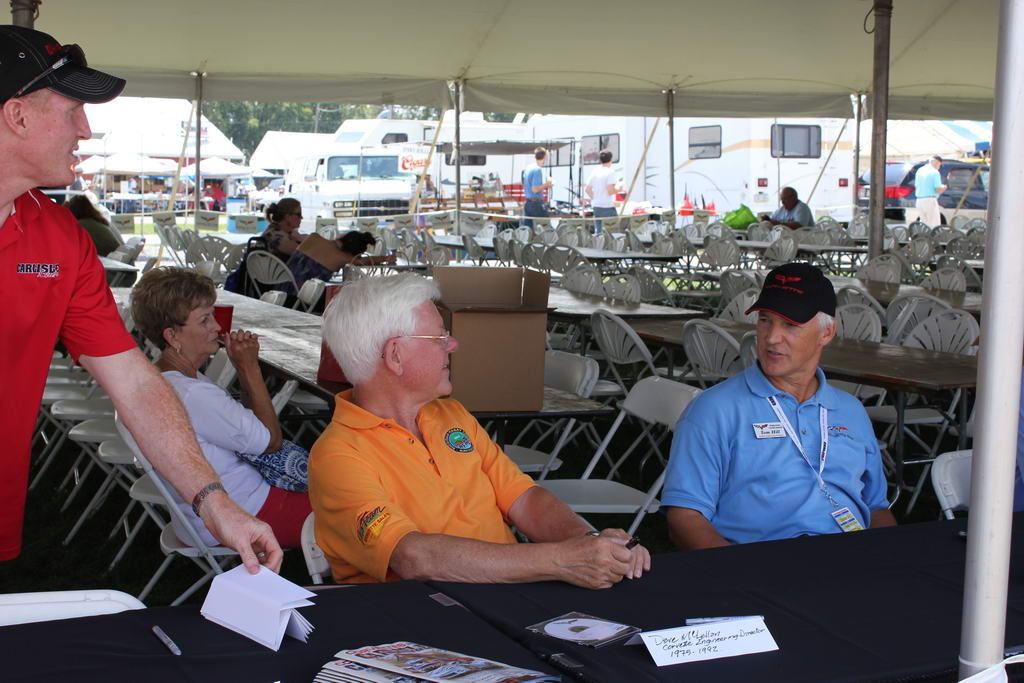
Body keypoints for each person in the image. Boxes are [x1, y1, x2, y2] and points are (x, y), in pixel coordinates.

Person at [0, 25, 281, 570]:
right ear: (17, 115)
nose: (85, 129)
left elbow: (136, 384)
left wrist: (213, 500)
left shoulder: (59, 236)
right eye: (72, 109)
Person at [308, 274, 650, 587]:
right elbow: (413, 556)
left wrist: (589, 542)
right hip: (425, 624)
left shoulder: (449, 414)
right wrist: (563, 560)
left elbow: (524, 498)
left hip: (509, 598)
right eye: (439, 336)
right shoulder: (338, 455)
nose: (452, 345)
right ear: (395, 355)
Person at [662, 262, 896, 549]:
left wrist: (886, 556)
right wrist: (740, 576)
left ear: (827, 332)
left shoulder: (850, 410)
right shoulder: (714, 411)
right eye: (764, 320)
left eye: (791, 324)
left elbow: (876, 507)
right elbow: (685, 517)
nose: (771, 338)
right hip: (761, 565)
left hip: (849, 561)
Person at [131, 268, 312, 548]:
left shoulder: (167, 379)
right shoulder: (191, 393)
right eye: (204, 320)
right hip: (243, 513)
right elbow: (271, 442)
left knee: (344, 490)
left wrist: (243, 370)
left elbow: (250, 427)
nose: (217, 327)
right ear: (172, 336)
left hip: (204, 515)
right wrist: (249, 367)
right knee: (356, 511)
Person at [286, 229, 394, 293]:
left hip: (280, 288)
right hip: (297, 297)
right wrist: (385, 258)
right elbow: (366, 261)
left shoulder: (314, 237)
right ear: (353, 252)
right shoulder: (344, 258)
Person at [585, 149, 621, 234]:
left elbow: (587, 189)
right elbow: (610, 191)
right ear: (611, 159)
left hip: (596, 206)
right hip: (607, 205)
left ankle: (599, 246)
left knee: (599, 232)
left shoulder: (595, 171)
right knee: (613, 232)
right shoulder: (610, 172)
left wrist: (595, 197)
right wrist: (619, 188)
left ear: (600, 160)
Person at [522, 146, 553, 228]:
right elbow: (535, 189)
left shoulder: (529, 167)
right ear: (545, 157)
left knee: (528, 229)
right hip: (536, 203)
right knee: (546, 227)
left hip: (528, 202)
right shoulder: (537, 170)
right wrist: (547, 184)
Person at [914, 156, 946, 227]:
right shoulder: (935, 172)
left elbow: (916, 186)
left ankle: (923, 238)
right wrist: (943, 187)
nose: (939, 167)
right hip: (930, 200)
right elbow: (938, 190)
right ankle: (932, 238)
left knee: (924, 224)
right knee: (934, 224)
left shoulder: (919, 170)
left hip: (919, 200)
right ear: (936, 162)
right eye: (939, 165)